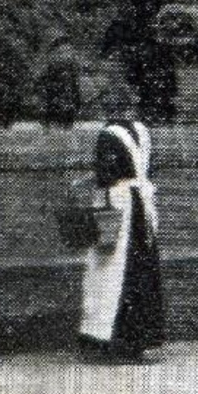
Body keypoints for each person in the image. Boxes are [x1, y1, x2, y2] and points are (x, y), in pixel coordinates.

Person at [78, 89, 166, 364]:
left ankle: (108, 341)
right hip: (141, 207)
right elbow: (147, 170)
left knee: (110, 273)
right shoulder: (142, 132)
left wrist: (89, 181)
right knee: (141, 270)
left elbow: (106, 175)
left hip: (119, 205)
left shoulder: (108, 134)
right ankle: (137, 341)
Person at [36, 34, 87, 128]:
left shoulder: (72, 71)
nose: (65, 56)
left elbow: (76, 90)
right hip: (53, 106)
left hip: (66, 106)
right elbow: (41, 84)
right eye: (61, 52)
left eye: (68, 52)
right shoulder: (49, 70)